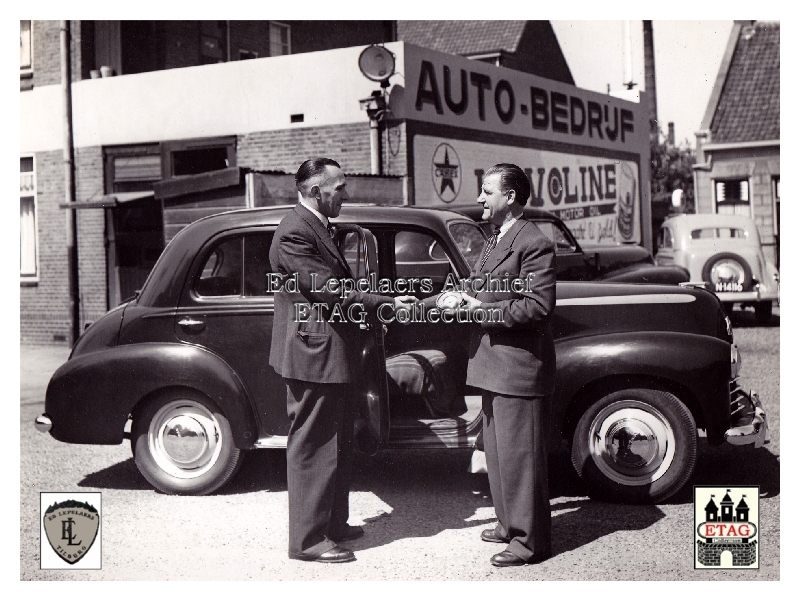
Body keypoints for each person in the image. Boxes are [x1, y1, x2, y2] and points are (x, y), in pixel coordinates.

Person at [269, 157, 415, 563]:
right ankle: (308, 541)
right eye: (340, 188)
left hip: (327, 353)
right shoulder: (295, 232)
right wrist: (384, 304)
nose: (346, 195)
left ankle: (332, 525)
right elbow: (330, 292)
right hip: (314, 354)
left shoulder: (313, 225)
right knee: (314, 446)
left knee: (335, 443)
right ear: (316, 191)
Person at [459, 163, 557, 567]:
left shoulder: (533, 241)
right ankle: (508, 524)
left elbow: (538, 305)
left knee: (520, 459)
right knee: (499, 455)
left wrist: (479, 311)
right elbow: (480, 287)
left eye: (486, 191)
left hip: (517, 368)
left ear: (510, 197)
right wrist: (445, 301)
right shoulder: (496, 237)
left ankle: (527, 542)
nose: (480, 198)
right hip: (493, 365)